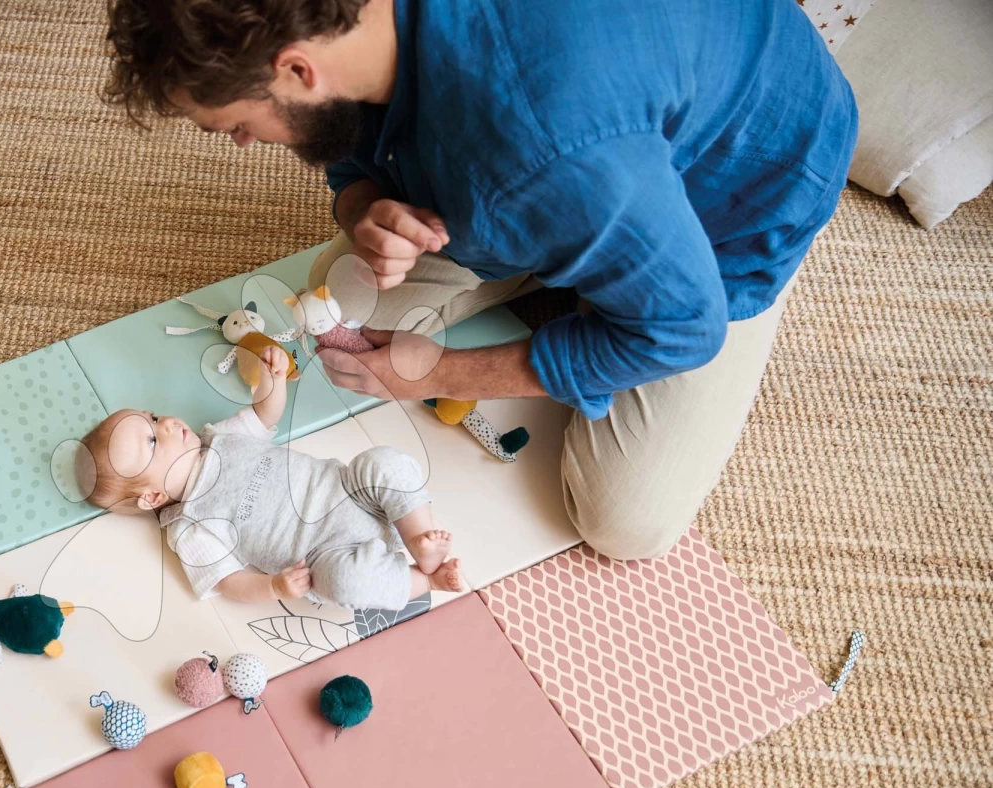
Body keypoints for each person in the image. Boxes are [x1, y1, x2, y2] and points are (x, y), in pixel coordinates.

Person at [101, 0, 858, 559]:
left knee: (625, 522)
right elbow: (346, 139)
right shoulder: (357, 32)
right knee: (343, 283)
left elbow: (679, 329)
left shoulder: (544, 150)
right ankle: (564, 250)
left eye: (235, 125)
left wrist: (438, 373)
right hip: (583, 160)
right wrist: (364, 203)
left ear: (298, 69)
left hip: (733, 205)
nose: (240, 144)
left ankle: (594, 262)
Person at [79, 344, 465, 609]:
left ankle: (419, 538)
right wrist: (273, 587)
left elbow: (265, 415)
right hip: (325, 554)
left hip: (352, 490)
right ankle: (424, 580)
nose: (165, 424)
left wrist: (273, 380)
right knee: (342, 583)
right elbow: (228, 581)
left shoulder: (219, 437)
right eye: (151, 440)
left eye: (152, 417)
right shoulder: (189, 527)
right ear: (152, 497)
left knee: (383, 462)